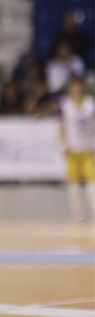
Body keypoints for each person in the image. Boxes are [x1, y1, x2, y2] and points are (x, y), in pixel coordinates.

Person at [59, 76, 95, 222]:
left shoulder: (90, 103)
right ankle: (78, 211)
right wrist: (63, 144)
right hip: (73, 148)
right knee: (73, 182)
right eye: (74, 86)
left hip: (88, 147)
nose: (77, 89)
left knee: (92, 180)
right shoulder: (65, 105)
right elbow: (61, 125)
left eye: (79, 86)